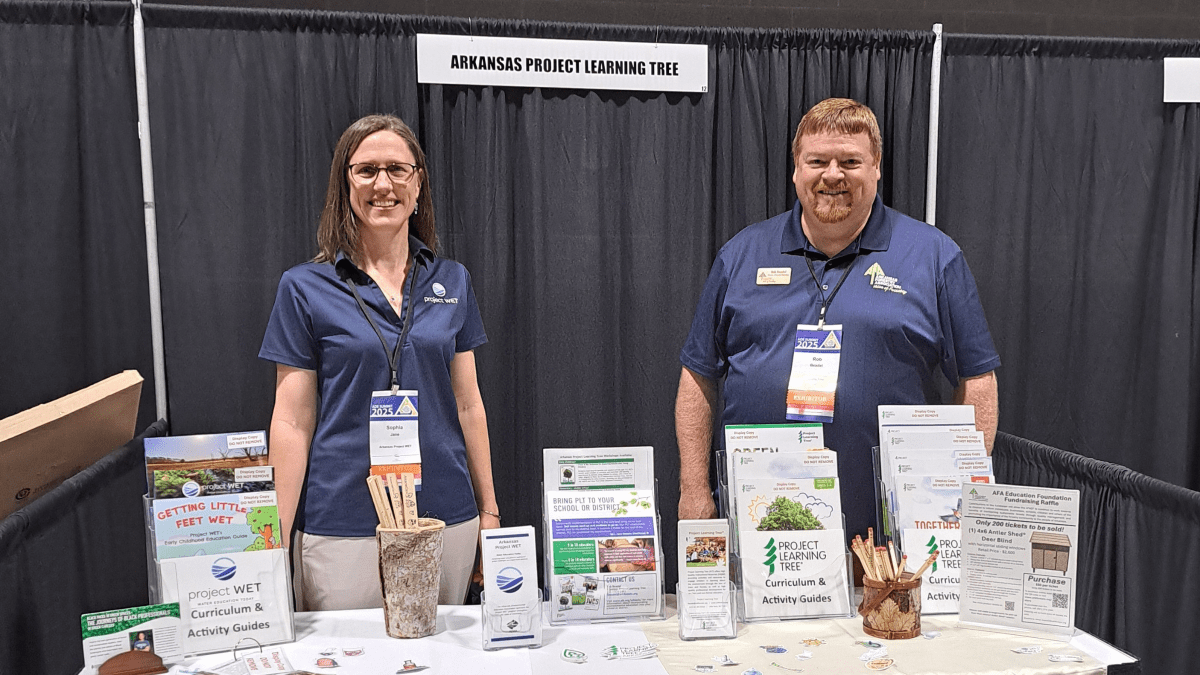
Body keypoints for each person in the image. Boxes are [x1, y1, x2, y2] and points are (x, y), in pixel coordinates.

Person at [676, 98, 1000, 539]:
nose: (833, 175)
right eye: (817, 161)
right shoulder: (741, 255)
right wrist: (694, 488)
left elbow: (978, 380)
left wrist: (964, 494)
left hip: (893, 538)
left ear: (877, 167)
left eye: (850, 161)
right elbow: (698, 375)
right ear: (796, 169)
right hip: (759, 530)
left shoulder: (934, 257)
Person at [260, 114, 501, 610]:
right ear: (344, 183)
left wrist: (490, 513)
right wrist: (271, 543)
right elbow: (291, 421)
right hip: (343, 522)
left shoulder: (452, 280)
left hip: (447, 518)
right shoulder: (305, 287)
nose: (383, 185)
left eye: (397, 169)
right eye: (366, 170)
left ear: (418, 185)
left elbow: (468, 405)